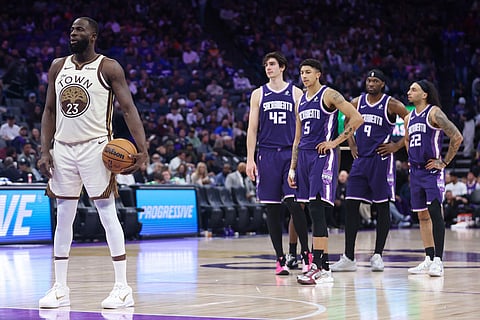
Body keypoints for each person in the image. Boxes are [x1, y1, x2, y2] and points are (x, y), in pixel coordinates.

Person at [37, 17, 148, 309]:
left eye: (80, 29)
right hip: (62, 148)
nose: (73, 33)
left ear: (94, 35)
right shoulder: (58, 66)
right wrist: (44, 150)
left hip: (96, 148)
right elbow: (49, 110)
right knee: (63, 216)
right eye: (72, 29)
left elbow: (128, 108)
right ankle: (60, 288)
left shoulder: (109, 67)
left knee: (107, 212)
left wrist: (143, 148)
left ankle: (123, 288)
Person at [288, 58, 364, 285]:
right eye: (301, 72)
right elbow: (297, 138)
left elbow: (356, 118)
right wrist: (292, 168)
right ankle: (321, 266)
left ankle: (321, 267)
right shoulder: (300, 101)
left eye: (308, 72)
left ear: (318, 74)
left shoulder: (329, 95)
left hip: (322, 156)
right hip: (303, 157)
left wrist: (335, 142)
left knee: (317, 209)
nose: (304, 76)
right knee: (310, 211)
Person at [330, 69, 409, 272]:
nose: (371, 83)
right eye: (369, 80)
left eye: (375, 81)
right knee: (351, 204)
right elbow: (346, 121)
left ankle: (378, 255)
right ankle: (349, 256)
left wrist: (397, 145)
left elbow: (412, 122)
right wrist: (352, 143)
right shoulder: (358, 102)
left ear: (382, 84)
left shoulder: (392, 104)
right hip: (361, 159)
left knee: (382, 206)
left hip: (381, 160)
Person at [246, 51, 311, 276]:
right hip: (266, 155)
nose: (268, 68)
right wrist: (249, 159)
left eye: (272, 64)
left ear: (282, 67)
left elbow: (300, 127)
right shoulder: (258, 94)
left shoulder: (295, 93)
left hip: (289, 155)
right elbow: (252, 129)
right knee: (272, 209)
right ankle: (280, 259)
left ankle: (306, 254)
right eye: (266, 65)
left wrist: (298, 155)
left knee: (294, 204)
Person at [404, 79, 462, 277]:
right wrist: (411, 156)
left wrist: (443, 162)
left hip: (432, 172)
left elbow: (456, 136)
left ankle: (439, 260)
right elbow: (407, 139)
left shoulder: (434, 113)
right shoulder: (408, 117)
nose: (409, 92)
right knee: (421, 216)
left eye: (414, 89)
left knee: (435, 213)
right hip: (416, 172)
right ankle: (428, 258)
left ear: (425, 94)